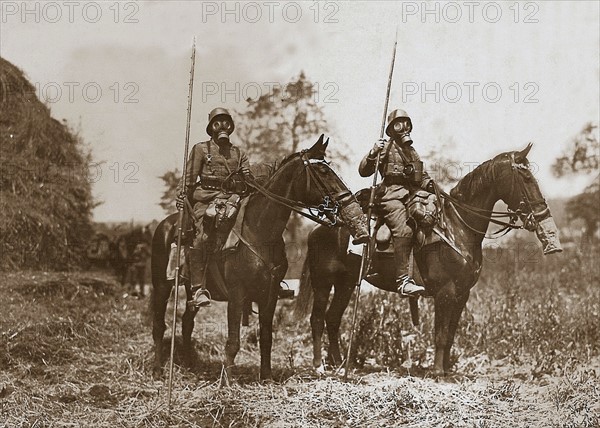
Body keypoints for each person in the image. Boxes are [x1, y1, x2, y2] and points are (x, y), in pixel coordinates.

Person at [358, 109, 435, 297]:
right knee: (405, 230)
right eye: (400, 125)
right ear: (392, 128)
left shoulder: (411, 151)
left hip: (411, 194)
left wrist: (431, 185)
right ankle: (403, 281)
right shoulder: (385, 147)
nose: (405, 129)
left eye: (407, 124)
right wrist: (372, 152)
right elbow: (364, 171)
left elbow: (420, 176)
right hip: (390, 196)